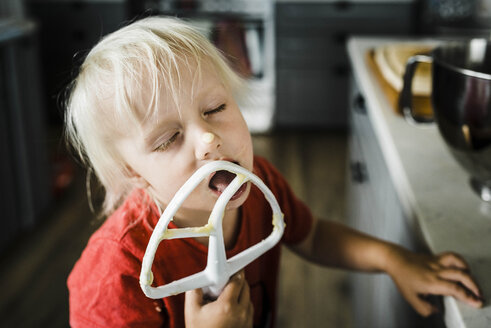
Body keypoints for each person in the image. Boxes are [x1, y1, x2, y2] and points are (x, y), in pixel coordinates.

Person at [65, 16, 483, 328]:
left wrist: (393, 259)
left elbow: (312, 235)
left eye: (215, 109)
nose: (209, 139)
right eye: (168, 138)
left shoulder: (259, 181)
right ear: (133, 173)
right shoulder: (116, 273)